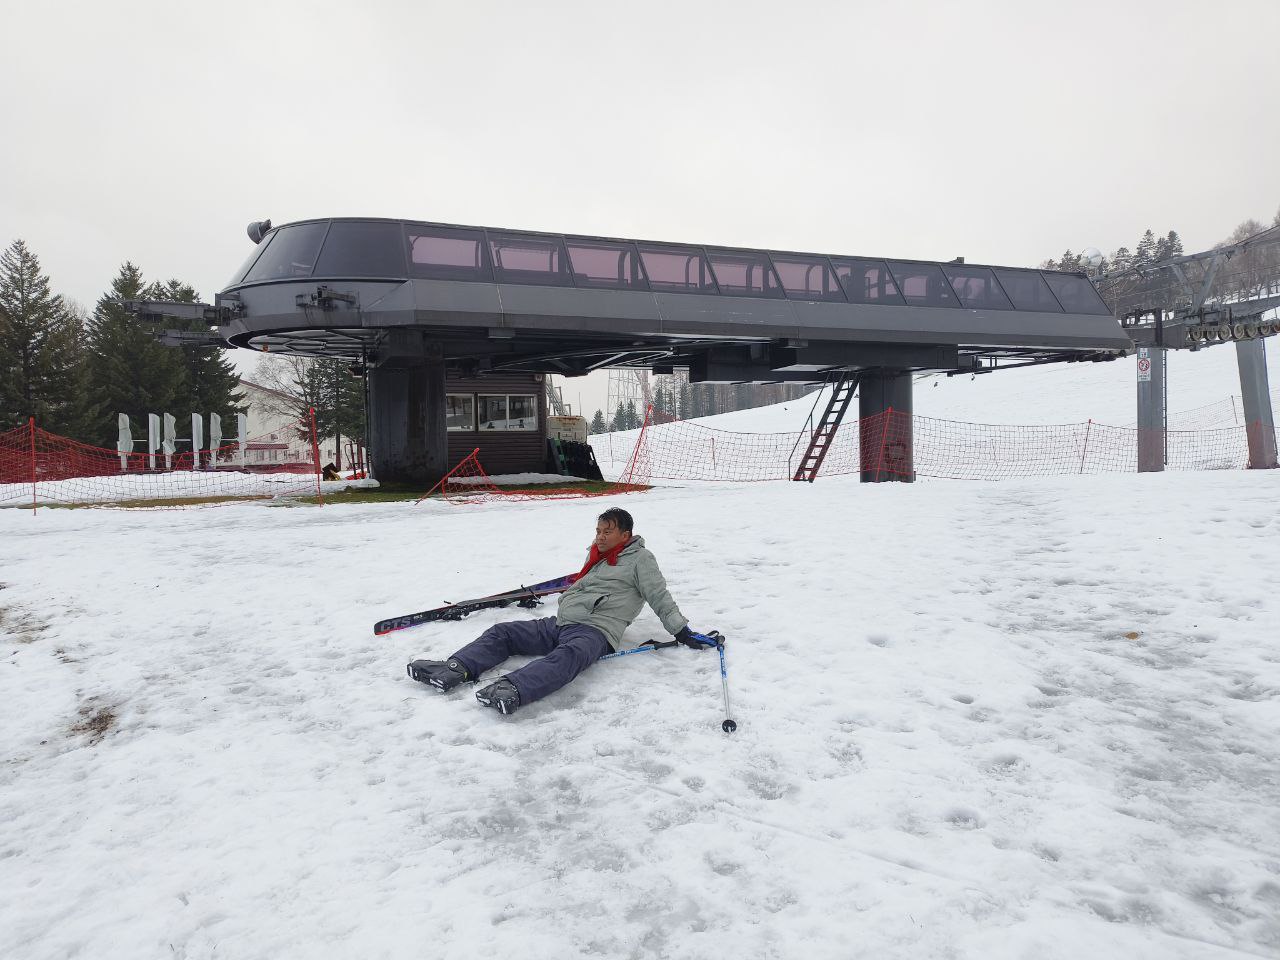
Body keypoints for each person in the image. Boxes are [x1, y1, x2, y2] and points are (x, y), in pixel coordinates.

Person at [406, 507, 704, 715]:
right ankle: (455, 668)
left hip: (596, 631)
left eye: (607, 532)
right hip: (562, 622)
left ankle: (514, 688)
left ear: (625, 535)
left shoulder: (641, 559)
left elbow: (658, 595)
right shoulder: (598, 556)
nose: (600, 536)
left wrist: (682, 631)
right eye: (598, 531)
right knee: (504, 632)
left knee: (568, 656)